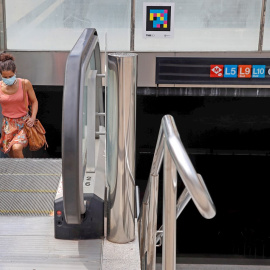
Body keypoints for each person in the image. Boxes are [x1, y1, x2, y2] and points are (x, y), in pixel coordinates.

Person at [0, 53, 38, 158]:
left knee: (16, 148)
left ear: (15, 72)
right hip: (7, 125)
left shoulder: (25, 83)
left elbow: (34, 101)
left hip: (24, 123)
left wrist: (33, 117)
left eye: (10, 76)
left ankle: (24, 173)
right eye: (5, 77)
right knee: (11, 154)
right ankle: (19, 171)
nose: (8, 79)